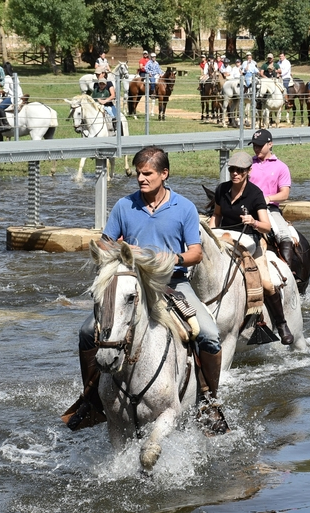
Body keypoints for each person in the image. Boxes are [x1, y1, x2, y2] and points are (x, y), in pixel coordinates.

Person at [66, 146, 224, 431]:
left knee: (209, 334)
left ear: (164, 174)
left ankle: (209, 402)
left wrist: (169, 258)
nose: (141, 178)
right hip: (132, 283)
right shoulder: (125, 206)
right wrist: (122, 249)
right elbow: (104, 243)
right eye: (138, 173)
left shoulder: (184, 208)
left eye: (147, 173)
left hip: (172, 284)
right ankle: (90, 399)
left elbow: (196, 253)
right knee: (87, 332)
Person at [210, 151, 295, 345]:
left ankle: (281, 325)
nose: (235, 174)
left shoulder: (255, 193)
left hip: (251, 242)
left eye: (239, 170)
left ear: (248, 171)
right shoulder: (221, 190)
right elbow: (216, 214)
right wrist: (211, 230)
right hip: (225, 239)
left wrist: (253, 221)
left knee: (265, 282)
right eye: (232, 169)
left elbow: (266, 225)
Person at [247, 129, 295, 269]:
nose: (256, 149)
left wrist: (268, 198)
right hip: (248, 207)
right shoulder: (248, 165)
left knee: (284, 235)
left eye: (259, 145)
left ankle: (288, 270)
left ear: (270, 144)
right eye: (254, 145)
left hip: (270, 208)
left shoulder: (281, 167)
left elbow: (284, 194)